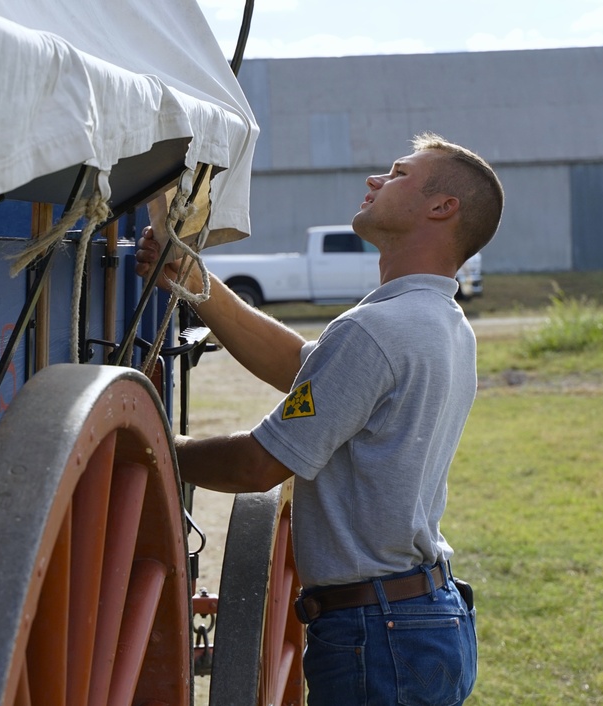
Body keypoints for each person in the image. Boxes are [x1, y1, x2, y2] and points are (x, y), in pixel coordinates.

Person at [135, 132, 503, 705]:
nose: (375, 181)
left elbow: (259, 465)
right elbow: (302, 368)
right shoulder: (441, 323)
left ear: (442, 206)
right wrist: (196, 283)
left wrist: (154, 446)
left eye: (399, 173)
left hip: (378, 634)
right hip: (419, 618)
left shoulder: (377, 331)